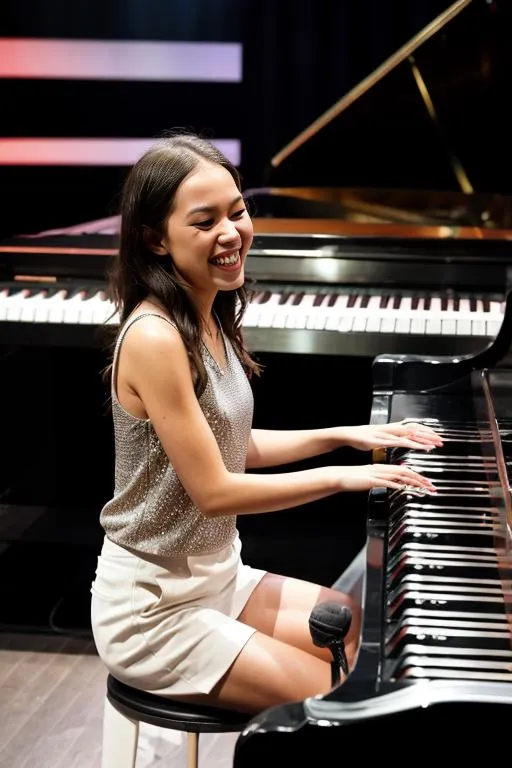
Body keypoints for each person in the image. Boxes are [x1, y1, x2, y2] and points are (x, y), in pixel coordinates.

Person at [90, 129, 442, 716]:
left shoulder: (209, 311)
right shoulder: (154, 336)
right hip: (153, 608)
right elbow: (214, 490)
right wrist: (341, 477)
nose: (230, 233)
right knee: (338, 700)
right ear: (155, 240)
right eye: (204, 223)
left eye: (237, 211)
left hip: (218, 577)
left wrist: (346, 435)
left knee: (360, 627)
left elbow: (234, 446)